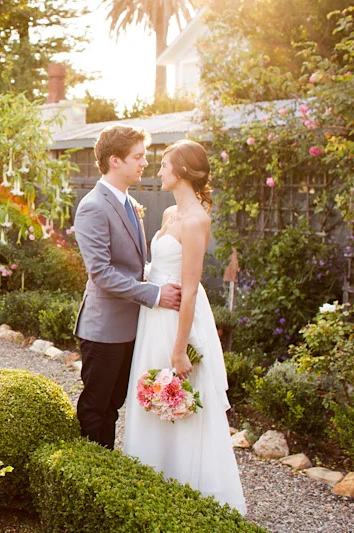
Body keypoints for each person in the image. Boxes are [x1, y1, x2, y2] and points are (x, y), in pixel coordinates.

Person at [122, 139, 246, 514]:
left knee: (179, 395)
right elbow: (156, 269)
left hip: (179, 321)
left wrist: (179, 349)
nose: (158, 171)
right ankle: (151, 481)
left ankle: (188, 487)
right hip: (154, 316)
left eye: (164, 165)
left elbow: (190, 290)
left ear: (184, 172)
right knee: (150, 395)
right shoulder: (168, 215)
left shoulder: (197, 220)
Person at [73, 125, 182, 450]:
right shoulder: (93, 206)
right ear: (115, 160)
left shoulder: (130, 203)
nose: (144, 163)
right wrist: (155, 294)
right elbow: (102, 274)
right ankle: (89, 478)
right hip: (103, 330)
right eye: (138, 157)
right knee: (95, 410)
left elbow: (134, 265)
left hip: (131, 328)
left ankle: (104, 471)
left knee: (114, 407)